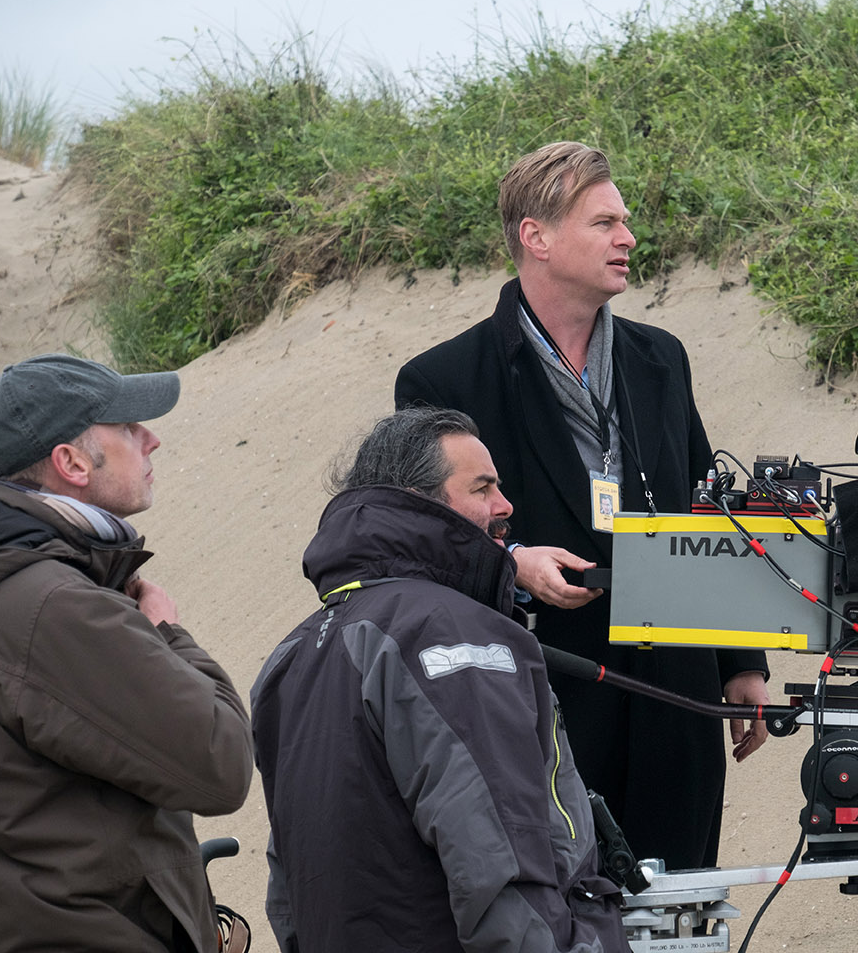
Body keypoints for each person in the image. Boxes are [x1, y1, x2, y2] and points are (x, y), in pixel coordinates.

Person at [395, 141, 769, 870]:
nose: (627, 238)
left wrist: (740, 659)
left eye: (623, 221)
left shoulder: (661, 358)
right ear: (536, 237)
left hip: (677, 693)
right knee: (560, 907)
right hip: (541, 696)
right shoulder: (444, 380)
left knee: (682, 907)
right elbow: (418, 537)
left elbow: (705, 507)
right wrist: (510, 562)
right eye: (604, 223)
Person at [250, 407, 629, 953]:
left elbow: (288, 889)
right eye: (482, 488)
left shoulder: (292, 655)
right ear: (418, 500)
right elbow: (500, 866)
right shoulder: (450, 633)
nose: (505, 505)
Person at [0, 354, 254, 953]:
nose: (151, 439)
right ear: (71, 463)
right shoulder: (53, 608)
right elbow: (221, 765)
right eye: (126, 427)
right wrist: (168, 632)